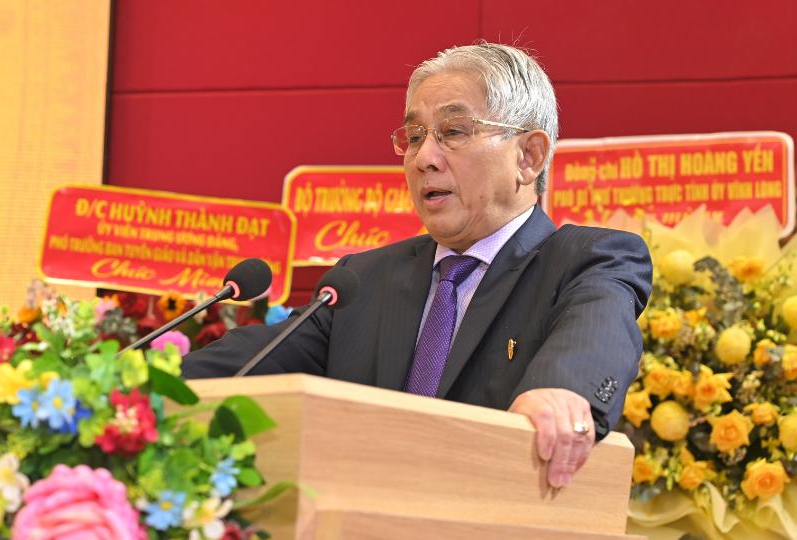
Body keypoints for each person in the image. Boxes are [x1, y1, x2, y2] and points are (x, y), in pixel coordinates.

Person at [182, 43, 652, 490]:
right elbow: (241, 367)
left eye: (453, 132)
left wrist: (560, 392)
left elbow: (596, 331)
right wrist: (129, 388)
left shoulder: (586, 261)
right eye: (413, 137)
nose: (423, 158)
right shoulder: (360, 282)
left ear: (528, 157)